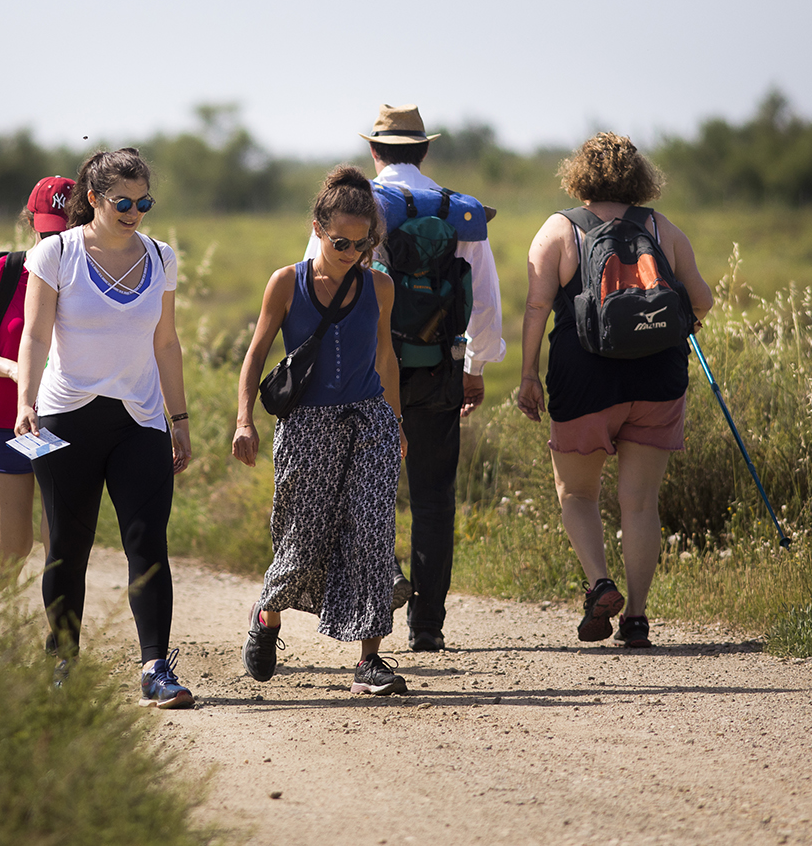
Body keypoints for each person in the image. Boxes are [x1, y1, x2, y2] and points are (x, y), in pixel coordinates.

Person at [305, 104, 505, 652]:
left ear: (374, 150)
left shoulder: (356, 208)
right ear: (425, 149)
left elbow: (321, 284)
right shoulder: (462, 212)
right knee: (434, 496)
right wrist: (477, 367)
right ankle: (428, 627)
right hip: (440, 365)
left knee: (362, 488)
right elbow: (484, 297)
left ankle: (386, 575)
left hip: (368, 373)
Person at [515, 133, 713, 648]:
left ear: (579, 174)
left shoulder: (559, 230)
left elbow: (537, 307)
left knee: (577, 492)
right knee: (640, 502)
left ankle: (600, 583)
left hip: (585, 381)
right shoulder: (661, 228)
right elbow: (703, 300)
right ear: (640, 178)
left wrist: (529, 375)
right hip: (658, 380)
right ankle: (639, 618)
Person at [14, 148, 195, 709]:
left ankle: (156, 667)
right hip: (64, 417)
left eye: (145, 201)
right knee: (67, 546)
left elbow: (166, 342)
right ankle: (62, 661)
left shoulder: (162, 256)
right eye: (123, 201)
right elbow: (35, 337)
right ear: (92, 198)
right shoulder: (55, 254)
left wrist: (180, 418)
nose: (135, 210)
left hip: (139, 420)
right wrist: (24, 402)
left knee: (148, 543)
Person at [234, 166, 410, 695]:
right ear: (317, 227)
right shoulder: (286, 282)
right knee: (301, 535)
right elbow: (255, 355)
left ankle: (370, 660)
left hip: (370, 422)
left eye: (362, 243)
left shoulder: (380, 285)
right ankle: (267, 615)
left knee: (373, 532)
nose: (351, 251)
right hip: (306, 427)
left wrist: (396, 423)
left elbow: (387, 358)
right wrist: (244, 419)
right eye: (340, 241)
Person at [0, 175, 73, 614]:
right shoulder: (2, 273)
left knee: (61, 547)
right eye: (45, 229)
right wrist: (15, 371)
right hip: (5, 422)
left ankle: (61, 654)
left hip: (67, 422)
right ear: (30, 223)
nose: (52, 240)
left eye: (63, 231)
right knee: (11, 551)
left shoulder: (91, 280)